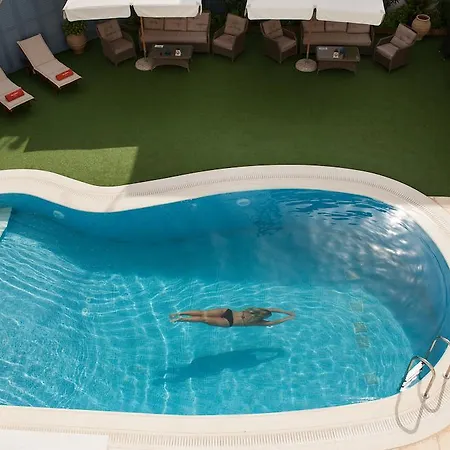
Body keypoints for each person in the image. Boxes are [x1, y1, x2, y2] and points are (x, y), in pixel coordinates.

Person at [169, 307, 295, 328]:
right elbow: (273, 322)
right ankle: (180, 319)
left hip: (228, 312)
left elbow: (273, 309)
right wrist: (287, 318)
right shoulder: (258, 321)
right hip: (229, 321)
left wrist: (287, 312)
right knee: (204, 319)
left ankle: (179, 313)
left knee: (204, 313)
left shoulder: (254, 310)